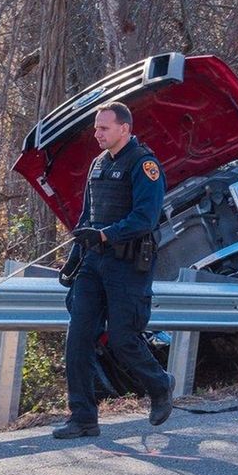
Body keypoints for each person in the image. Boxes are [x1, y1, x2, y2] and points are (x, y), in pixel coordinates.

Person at [53, 101, 173, 439]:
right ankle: (83, 418)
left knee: (122, 339)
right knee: (78, 339)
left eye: (104, 128)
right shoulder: (97, 165)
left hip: (128, 264)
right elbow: (86, 219)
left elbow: (145, 218)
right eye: (95, 128)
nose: (97, 134)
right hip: (93, 264)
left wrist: (107, 234)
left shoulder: (144, 164)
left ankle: (159, 384)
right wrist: (74, 259)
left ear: (124, 129)